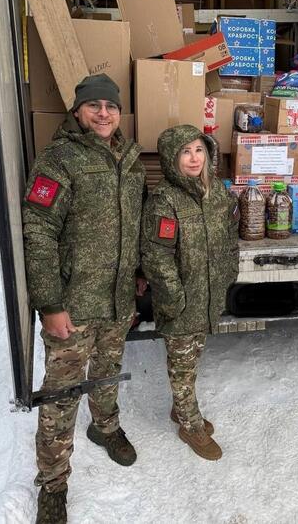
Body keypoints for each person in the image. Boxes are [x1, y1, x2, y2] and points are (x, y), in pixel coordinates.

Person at [22, 74, 146, 524]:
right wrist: (50, 305)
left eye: (110, 106)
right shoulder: (58, 159)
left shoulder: (130, 160)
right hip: (73, 305)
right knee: (61, 397)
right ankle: (53, 484)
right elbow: (38, 233)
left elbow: (134, 225)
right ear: (77, 111)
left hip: (117, 299)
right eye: (94, 106)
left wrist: (137, 272)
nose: (103, 113)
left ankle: (105, 427)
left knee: (108, 373)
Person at [140, 124, 239, 461]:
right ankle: (190, 424)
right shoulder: (164, 200)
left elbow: (230, 235)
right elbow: (156, 257)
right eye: (185, 152)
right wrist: (174, 298)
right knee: (182, 365)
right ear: (172, 158)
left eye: (199, 150)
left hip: (207, 295)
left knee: (193, 356)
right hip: (181, 300)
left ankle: (179, 408)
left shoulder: (216, 191)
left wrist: (228, 272)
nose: (194, 158)